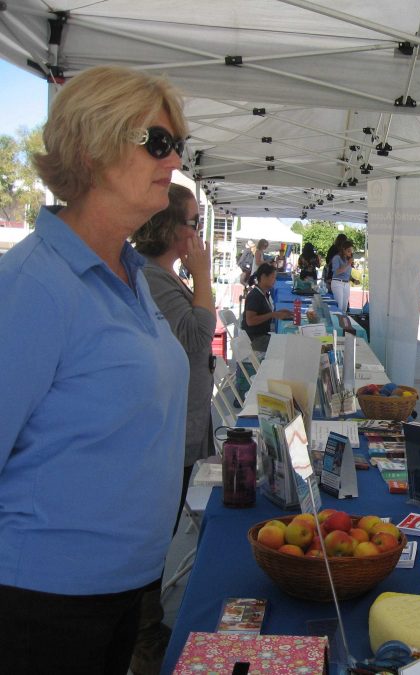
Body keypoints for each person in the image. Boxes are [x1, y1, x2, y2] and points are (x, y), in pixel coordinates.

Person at [0, 65, 190, 673]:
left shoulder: (129, 275)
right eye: (158, 142)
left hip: (115, 593)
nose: (175, 158)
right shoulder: (33, 288)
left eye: (178, 144)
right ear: (94, 147)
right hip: (39, 605)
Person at [130, 184, 216, 673]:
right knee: (156, 533)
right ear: (169, 227)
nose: (197, 236)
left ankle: (145, 627)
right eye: (193, 224)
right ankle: (144, 636)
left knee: (164, 530)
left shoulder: (161, 276)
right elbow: (199, 334)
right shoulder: (153, 277)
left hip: (186, 426)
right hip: (171, 432)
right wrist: (202, 274)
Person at [241, 262, 292, 353]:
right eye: (273, 277)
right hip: (256, 339)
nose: (275, 281)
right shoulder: (255, 296)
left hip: (262, 335)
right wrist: (273, 314)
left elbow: (265, 313)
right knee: (288, 346)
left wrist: (278, 313)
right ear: (263, 277)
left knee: (288, 341)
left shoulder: (263, 294)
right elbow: (250, 321)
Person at [330, 240, 354, 312]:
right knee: (339, 306)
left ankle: (342, 321)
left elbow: (347, 274)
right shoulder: (336, 258)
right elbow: (337, 272)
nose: (350, 253)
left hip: (346, 283)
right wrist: (348, 264)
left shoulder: (348, 260)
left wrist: (353, 279)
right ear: (343, 250)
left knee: (344, 307)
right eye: (349, 251)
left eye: (351, 251)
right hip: (337, 283)